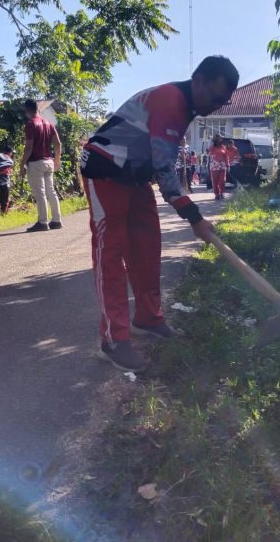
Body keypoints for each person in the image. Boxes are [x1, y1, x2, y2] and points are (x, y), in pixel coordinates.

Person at [80, 55, 239, 371]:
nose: (216, 106)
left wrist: (190, 213)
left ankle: (148, 319)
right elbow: (165, 167)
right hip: (103, 166)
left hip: (134, 173)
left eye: (223, 101)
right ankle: (114, 340)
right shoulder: (171, 101)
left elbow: (159, 163)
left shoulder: (187, 106)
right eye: (215, 96)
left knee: (147, 245)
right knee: (110, 251)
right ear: (199, 80)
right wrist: (194, 217)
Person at [20, 99, 63, 232]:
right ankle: (56, 220)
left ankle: (43, 222)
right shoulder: (48, 123)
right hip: (49, 161)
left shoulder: (31, 124)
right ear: (38, 109)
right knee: (51, 191)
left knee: (40, 193)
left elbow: (29, 148)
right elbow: (58, 144)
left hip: (36, 162)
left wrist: (22, 165)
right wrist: (57, 159)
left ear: (27, 111)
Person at [209, 134, 229, 200]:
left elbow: (226, 156)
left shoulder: (223, 147)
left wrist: (228, 165)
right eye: (218, 138)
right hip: (214, 166)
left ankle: (222, 193)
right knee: (215, 181)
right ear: (215, 140)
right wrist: (218, 158)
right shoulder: (212, 147)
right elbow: (212, 154)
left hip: (222, 166)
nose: (219, 139)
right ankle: (217, 194)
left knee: (222, 180)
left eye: (220, 138)